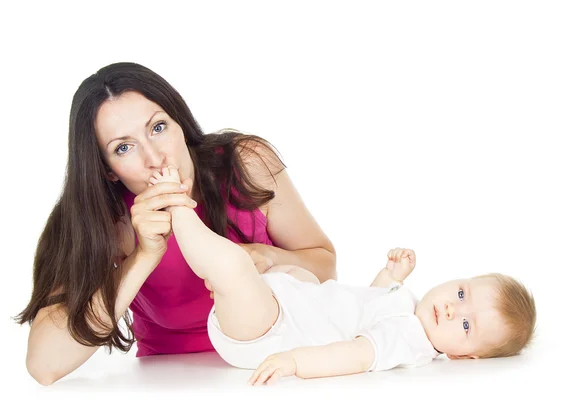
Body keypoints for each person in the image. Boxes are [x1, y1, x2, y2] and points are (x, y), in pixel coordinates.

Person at [14, 62, 337, 386]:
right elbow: (44, 365)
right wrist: (142, 257)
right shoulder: (104, 220)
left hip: (280, 363)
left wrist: (271, 258)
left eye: (158, 128)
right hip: (173, 381)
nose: (155, 158)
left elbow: (326, 267)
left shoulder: (247, 165)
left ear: (179, 122)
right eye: (123, 148)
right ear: (108, 170)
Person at [149, 165, 537, 385]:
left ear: (465, 357)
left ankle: (179, 208)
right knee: (309, 279)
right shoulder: (408, 310)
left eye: (466, 325)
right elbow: (367, 305)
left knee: (233, 266)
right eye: (463, 294)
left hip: (268, 336)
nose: (453, 309)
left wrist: (294, 363)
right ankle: (253, 283)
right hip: (281, 306)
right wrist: (390, 275)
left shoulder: (408, 341)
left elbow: (352, 354)